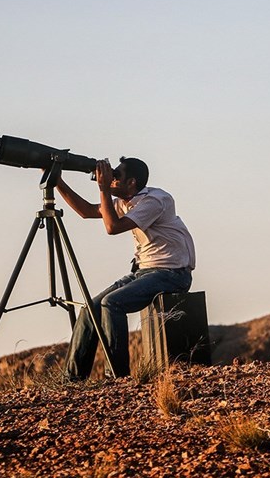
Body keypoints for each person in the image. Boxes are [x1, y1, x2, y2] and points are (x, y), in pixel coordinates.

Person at [56, 156, 196, 379]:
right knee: (90, 308)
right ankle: (72, 380)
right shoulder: (124, 202)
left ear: (131, 182)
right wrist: (57, 180)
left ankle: (117, 377)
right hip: (144, 271)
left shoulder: (154, 201)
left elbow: (112, 227)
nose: (111, 179)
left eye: (116, 175)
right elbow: (85, 211)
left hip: (172, 273)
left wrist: (103, 189)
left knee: (112, 303)